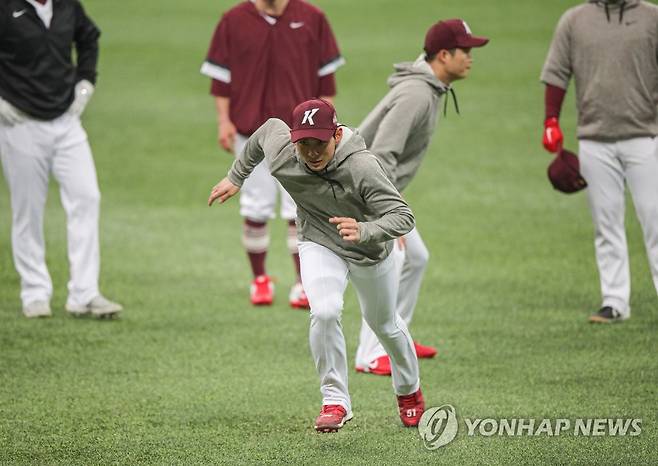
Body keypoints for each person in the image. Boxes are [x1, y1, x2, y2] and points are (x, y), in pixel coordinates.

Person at [208, 99, 424, 432]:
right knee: (323, 311)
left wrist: (366, 229)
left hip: (368, 250)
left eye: (319, 142)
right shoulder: (284, 152)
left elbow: (403, 216)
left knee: (385, 326)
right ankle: (335, 401)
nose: (311, 151)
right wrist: (237, 177)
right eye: (304, 143)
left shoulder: (362, 167)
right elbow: (264, 131)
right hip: (318, 241)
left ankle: (409, 391)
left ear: (336, 135)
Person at [355, 19, 489, 375]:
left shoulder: (428, 89)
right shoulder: (416, 95)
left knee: (417, 256)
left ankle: (398, 336)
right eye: (466, 51)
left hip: (376, 188)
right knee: (392, 261)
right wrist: (387, 217)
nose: (471, 58)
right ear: (444, 55)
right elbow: (381, 155)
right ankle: (370, 354)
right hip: (362, 189)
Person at [200, 0, 344, 309]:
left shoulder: (312, 17)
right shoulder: (234, 20)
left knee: (299, 207)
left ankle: (302, 284)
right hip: (249, 132)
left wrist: (327, 126)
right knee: (255, 206)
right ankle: (260, 279)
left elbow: (326, 80)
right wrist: (223, 120)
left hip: (303, 137)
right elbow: (220, 79)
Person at [0, 0, 122, 319]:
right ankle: (34, 292)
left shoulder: (67, 5)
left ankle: (84, 293)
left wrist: (85, 83)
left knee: (87, 197)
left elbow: (88, 38)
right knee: (28, 208)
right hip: (20, 123)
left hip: (66, 122)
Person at [541, 0, 658, 323]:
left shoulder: (652, 18)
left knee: (655, 221)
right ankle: (615, 301)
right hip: (594, 139)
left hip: (646, 136)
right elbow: (556, 73)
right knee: (606, 224)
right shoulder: (575, 21)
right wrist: (550, 120)